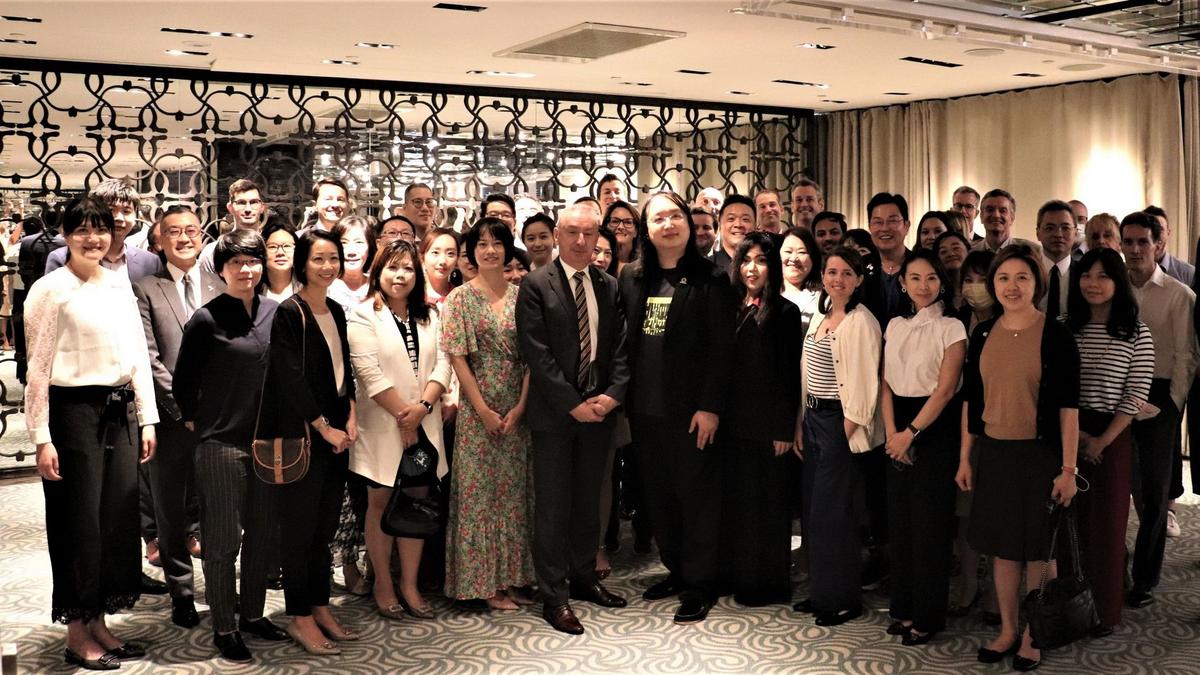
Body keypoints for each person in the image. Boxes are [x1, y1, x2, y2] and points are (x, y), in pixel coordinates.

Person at [26, 197, 158, 670]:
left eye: (100, 229)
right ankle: (77, 632)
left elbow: (137, 355)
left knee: (116, 522)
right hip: (73, 415)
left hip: (119, 412)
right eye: (81, 230)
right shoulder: (49, 289)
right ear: (65, 235)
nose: (92, 238)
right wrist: (41, 435)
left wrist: (147, 417)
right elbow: (37, 368)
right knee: (78, 524)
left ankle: (100, 621)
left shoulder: (118, 284)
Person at [957, 244, 1080, 671]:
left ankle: (1034, 635)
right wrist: (965, 458)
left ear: (1036, 284)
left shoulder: (1056, 335)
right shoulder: (982, 334)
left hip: (1040, 456)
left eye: (1022, 278)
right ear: (994, 283)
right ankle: (1009, 629)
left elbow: (1068, 409)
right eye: (1004, 278)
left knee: (1039, 553)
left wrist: (1068, 469)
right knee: (1003, 550)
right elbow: (972, 403)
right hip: (994, 454)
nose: (1012, 286)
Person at [173, 229, 289, 663]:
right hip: (220, 443)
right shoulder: (206, 319)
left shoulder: (276, 312)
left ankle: (253, 614)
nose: (246, 269)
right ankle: (225, 625)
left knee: (262, 534)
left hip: (267, 442)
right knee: (222, 542)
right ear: (221, 269)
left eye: (253, 261)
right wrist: (197, 421)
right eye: (236, 262)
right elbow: (184, 381)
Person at [620, 191, 735, 624]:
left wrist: (710, 407)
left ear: (688, 223)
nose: (668, 225)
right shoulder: (633, 278)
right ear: (646, 230)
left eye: (675, 216)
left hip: (691, 413)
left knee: (697, 499)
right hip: (644, 412)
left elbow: (721, 351)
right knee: (659, 496)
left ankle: (701, 583)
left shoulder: (711, 279)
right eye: (658, 219)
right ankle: (677, 570)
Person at [516, 204, 630, 635]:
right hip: (554, 417)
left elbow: (621, 348)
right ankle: (554, 595)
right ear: (558, 235)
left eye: (589, 233)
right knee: (552, 508)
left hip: (599, 413)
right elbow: (536, 352)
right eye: (572, 233)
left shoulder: (609, 285)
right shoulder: (535, 284)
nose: (581, 242)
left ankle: (584, 577)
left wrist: (612, 395)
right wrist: (571, 403)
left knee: (587, 503)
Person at [260, 229, 358, 654]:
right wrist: (324, 426)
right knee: (299, 531)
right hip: (305, 434)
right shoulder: (289, 312)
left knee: (324, 528)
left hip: (337, 433)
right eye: (318, 259)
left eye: (333, 258)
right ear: (302, 263)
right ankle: (299, 615)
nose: (328, 266)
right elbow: (290, 379)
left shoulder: (335, 309)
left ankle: (320, 606)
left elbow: (344, 369)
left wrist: (351, 414)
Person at [347, 239, 451, 621]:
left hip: (425, 423)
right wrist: (405, 418)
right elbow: (369, 374)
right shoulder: (362, 315)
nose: (400, 275)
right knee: (380, 504)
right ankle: (383, 584)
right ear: (378, 271)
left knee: (416, 501)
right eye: (392, 267)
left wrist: (421, 411)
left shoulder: (431, 315)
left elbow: (443, 365)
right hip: (382, 426)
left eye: (407, 268)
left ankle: (409, 584)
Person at [131, 206, 221, 632]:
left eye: (191, 230)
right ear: (160, 240)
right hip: (170, 419)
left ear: (202, 236)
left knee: (217, 504)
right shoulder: (145, 288)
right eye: (174, 232)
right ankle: (182, 593)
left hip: (218, 419)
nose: (184, 238)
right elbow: (149, 357)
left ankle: (220, 588)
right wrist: (184, 408)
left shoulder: (219, 285)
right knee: (169, 507)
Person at [440, 217, 535, 610]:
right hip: (477, 412)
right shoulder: (459, 299)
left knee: (514, 495)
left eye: (497, 243)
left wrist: (520, 407)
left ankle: (514, 577)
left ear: (508, 248)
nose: (490, 250)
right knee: (479, 498)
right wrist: (481, 410)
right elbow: (458, 359)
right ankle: (485, 584)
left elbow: (533, 359)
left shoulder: (524, 296)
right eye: (481, 244)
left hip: (518, 409)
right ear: (472, 252)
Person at [1066, 247, 1154, 634]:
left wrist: (1100, 441)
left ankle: (1104, 610)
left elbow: (1136, 394)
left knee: (1107, 525)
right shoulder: (1064, 326)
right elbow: (1051, 388)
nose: (1093, 283)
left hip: (1113, 436)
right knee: (1068, 524)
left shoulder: (1137, 331)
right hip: (1068, 429)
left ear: (1118, 281)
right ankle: (1068, 605)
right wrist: (1078, 436)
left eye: (1103, 275)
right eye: (1087, 275)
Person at [881, 249, 966, 645]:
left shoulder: (952, 327)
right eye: (914, 278)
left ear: (941, 282)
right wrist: (892, 434)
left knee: (930, 528)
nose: (923, 285)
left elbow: (946, 390)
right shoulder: (894, 324)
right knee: (900, 525)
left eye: (931, 277)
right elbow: (884, 383)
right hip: (896, 427)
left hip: (934, 427)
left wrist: (910, 433)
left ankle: (928, 616)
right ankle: (903, 608)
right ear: (902, 283)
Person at [793, 245, 882, 627]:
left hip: (840, 424)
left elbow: (865, 388)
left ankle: (843, 599)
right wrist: (800, 422)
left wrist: (842, 435)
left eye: (847, 273)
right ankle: (821, 593)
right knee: (815, 512)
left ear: (859, 279)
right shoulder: (823, 312)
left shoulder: (862, 322)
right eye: (832, 272)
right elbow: (807, 371)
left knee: (836, 516)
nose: (838, 279)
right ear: (823, 277)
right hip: (813, 418)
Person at [719, 231, 801, 606]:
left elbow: (789, 375)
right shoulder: (728, 306)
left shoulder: (785, 312)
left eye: (761, 260)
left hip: (770, 426)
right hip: (732, 423)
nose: (752, 268)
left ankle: (768, 584)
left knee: (770, 506)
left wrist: (784, 428)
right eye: (746, 260)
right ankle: (740, 577)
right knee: (738, 504)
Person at [1121, 211, 1197, 609]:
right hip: (1114, 395)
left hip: (1159, 397)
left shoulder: (1178, 294)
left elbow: (1187, 355)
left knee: (1153, 497)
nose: (1135, 249)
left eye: (1143, 242)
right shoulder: (1111, 288)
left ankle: (1145, 579)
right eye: (1128, 241)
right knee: (1114, 489)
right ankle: (1113, 568)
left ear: (1158, 245)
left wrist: (1172, 406)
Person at [198, 178, 266, 274]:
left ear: (262, 207)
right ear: (230, 208)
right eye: (241, 203)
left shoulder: (272, 247)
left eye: (254, 202)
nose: (248, 209)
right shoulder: (211, 252)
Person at [1035, 200, 1077, 321]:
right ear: (1038, 233)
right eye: (1050, 228)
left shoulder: (1084, 273)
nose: (1058, 234)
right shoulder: (1027, 271)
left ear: (1075, 233)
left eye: (1065, 228)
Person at [971, 189, 1041, 257]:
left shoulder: (1032, 251)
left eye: (1003, 211)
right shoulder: (969, 252)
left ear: (1012, 218)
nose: (996, 215)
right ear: (981, 216)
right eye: (990, 210)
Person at [779, 226, 822, 336]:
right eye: (788, 251)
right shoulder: (765, 293)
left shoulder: (823, 299)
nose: (794, 258)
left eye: (802, 252)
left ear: (813, 258)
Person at [327, 215, 375, 313]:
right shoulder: (324, 287)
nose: (351, 251)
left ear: (369, 248)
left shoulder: (379, 287)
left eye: (359, 242)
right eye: (344, 243)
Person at [262, 217, 300, 302]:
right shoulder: (252, 292)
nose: (280, 253)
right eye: (272, 247)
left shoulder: (308, 290)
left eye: (287, 246)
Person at [713, 194, 754, 272]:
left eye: (745, 219)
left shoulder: (767, 267)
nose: (738, 224)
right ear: (720, 225)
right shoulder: (707, 268)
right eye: (731, 219)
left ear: (755, 226)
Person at [421, 227, 459, 304]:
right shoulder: (409, 294)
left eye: (450, 253)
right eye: (435, 252)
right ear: (422, 257)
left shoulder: (462, 298)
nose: (443, 261)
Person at [602, 200, 640, 275]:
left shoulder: (646, 264)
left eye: (628, 222)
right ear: (606, 226)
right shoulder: (597, 261)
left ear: (636, 231)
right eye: (615, 221)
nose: (620, 227)